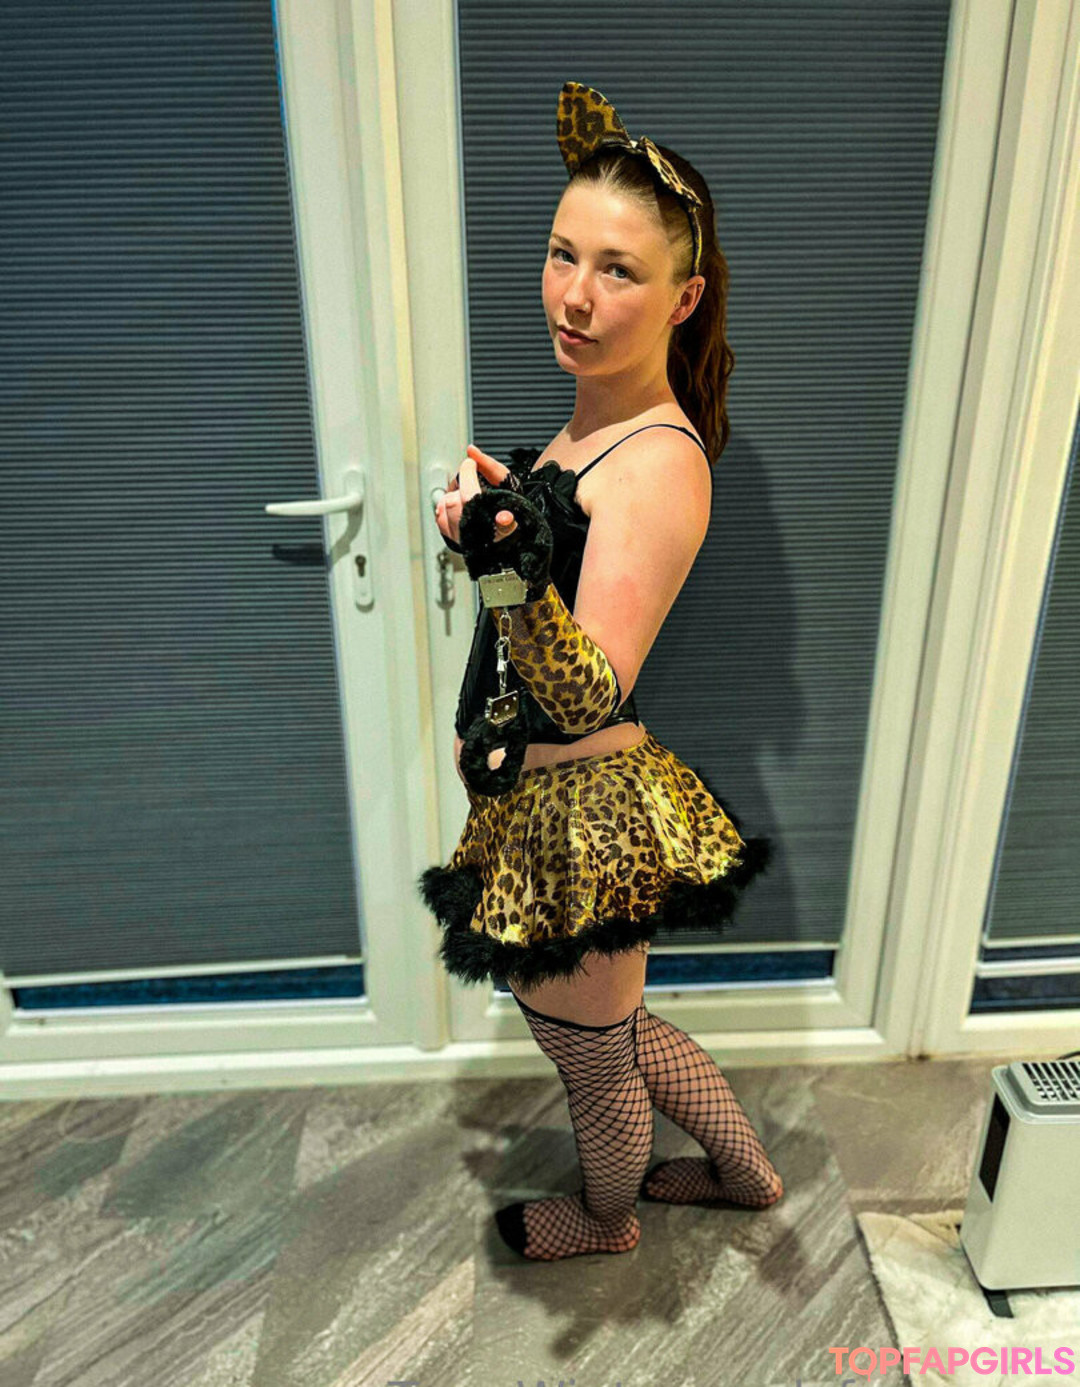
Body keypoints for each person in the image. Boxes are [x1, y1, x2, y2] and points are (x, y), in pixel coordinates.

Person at [418, 82, 783, 1262]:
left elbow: (583, 689)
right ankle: (747, 1171)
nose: (574, 294)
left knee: (588, 1055)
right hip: (550, 802)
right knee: (613, 1031)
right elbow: (555, 590)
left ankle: (606, 1216)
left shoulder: (658, 463)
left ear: (684, 297)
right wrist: (506, 525)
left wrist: (499, 561)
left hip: (576, 818)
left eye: (617, 269)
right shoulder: (599, 430)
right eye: (562, 252)